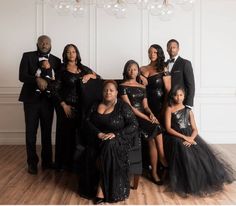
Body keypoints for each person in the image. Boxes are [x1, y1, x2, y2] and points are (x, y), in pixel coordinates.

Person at [164, 85, 235, 196]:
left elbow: (195, 129)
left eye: (181, 95)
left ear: (184, 95)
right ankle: (190, 183)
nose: (178, 98)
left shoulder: (189, 111)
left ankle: (203, 179)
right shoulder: (169, 109)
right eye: (176, 95)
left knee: (201, 154)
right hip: (176, 136)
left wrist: (191, 138)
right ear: (172, 96)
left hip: (189, 135)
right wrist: (184, 138)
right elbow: (168, 128)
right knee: (185, 151)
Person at [78, 80, 139, 204]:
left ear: (116, 92)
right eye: (106, 90)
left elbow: (134, 125)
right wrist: (98, 133)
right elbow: (86, 122)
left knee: (109, 145)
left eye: (111, 90)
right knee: (92, 150)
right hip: (97, 138)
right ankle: (94, 185)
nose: (108, 92)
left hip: (118, 140)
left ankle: (101, 188)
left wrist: (116, 134)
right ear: (102, 92)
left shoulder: (123, 106)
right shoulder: (95, 105)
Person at [119, 60, 168, 185]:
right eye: (130, 69)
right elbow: (130, 108)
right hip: (131, 117)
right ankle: (161, 163)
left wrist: (151, 114)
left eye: (135, 69)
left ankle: (156, 167)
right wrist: (147, 118)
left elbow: (145, 106)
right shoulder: (122, 86)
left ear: (138, 72)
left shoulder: (142, 87)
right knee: (154, 129)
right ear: (126, 71)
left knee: (155, 129)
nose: (132, 71)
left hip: (143, 114)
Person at [53, 44, 99, 171]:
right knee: (66, 136)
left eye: (73, 51)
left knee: (79, 136)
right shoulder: (61, 70)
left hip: (82, 107)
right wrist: (63, 105)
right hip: (66, 106)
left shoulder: (84, 69)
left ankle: (77, 165)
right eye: (68, 52)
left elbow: (99, 78)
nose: (71, 54)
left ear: (77, 53)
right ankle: (64, 164)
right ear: (65, 55)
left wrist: (90, 76)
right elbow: (54, 90)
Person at [19, 35, 61, 174]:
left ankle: (47, 162)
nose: (44, 44)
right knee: (31, 132)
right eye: (42, 42)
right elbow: (22, 76)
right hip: (30, 101)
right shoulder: (27, 56)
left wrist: (48, 83)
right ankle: (32, 163)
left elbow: (57, 81)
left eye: (47, 42)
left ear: (51, 44)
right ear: (37, 44)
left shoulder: (56, 60)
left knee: (47, 132)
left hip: (48, 101)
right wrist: (37, 80)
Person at [140, 44, 171, 122]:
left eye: (155, 52)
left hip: (159, 104)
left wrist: (165, 108)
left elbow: (168, 89)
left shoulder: (163, 69)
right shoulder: (142, 68)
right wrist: (140, 76)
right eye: (150, 52)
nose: (152, 54)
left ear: (159, 54)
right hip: (144, 102)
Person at [166, 39, 195, 108]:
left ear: (178, 49)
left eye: (174, 47)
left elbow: (191, 85)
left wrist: (188, 105)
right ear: (167, 49)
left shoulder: (185, 63)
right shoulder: (164, 64)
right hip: (167, 102)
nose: (172, 49)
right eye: (169, 47)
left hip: (181, 102)